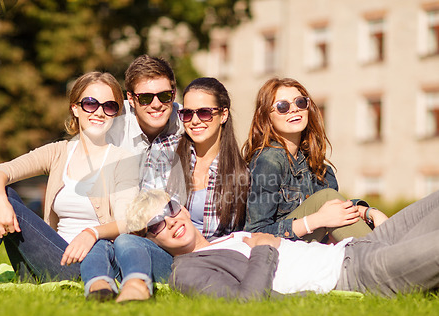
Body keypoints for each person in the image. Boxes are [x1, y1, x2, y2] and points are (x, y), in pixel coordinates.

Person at [0, 72, 139, 289]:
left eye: (109, 106)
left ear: (116, 113)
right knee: (4, 196)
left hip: (87, 267)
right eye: (90, 103)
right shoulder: (59, 153)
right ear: (75, 108)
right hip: (46, 259)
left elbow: (128, 222)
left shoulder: (122, 159)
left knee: (10, 205)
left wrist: (92, 233)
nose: (99, 112)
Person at [127, 189, 439, 300]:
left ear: (182, 207)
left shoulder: (227, 236)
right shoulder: (186, 272)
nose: (170, 222)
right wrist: (264, 248)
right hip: (356, 274)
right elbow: (245, 303)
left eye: (170, 209)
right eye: (156, 225)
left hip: (360, 246)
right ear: (152, 237)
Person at [111, 77, 249, 302]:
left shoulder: (241, 172)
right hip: (170, 257)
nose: (194, 121)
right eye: (187, 113)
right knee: (125, 242)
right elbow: (146, 212)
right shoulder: (165, 151)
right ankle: (136, 287)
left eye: (204, 113)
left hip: (214, 265)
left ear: (223, 115)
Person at [242, 77, 375, 243]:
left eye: (300, 102)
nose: (294, 110)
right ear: (266, 117)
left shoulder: (318, 166)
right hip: (278, 253)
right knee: (326, 198)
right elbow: (255, 232)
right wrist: (317, 220)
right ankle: (381, 257)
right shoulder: (268, 161)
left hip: (312, 251)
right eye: (282, 107)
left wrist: (368, 212)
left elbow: (336, 212)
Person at [106, 54, 184, 164]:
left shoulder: (188, 121)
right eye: (146, 98)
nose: (156, 104)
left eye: (164, 95)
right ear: (131, 99)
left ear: (174, 94)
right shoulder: (112, 121)